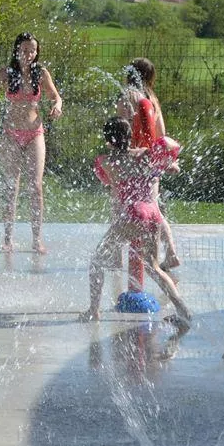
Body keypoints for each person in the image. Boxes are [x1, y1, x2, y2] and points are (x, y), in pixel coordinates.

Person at [81, 117, 191, 327]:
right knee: (154, 267)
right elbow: (172, 167)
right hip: (153, 215)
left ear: (109, 140)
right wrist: (167, 163)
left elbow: (107, 182)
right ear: (130, 136)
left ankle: (93, 311)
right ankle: (183, 311)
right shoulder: (147, 154)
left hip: (132, 214)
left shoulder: (105, 160)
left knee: (96, 262)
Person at [0, 33, 63, 253]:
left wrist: (57, 106)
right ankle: (8, 239)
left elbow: (56, 97)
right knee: (12, 187)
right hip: (11, 134)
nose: (28, 54)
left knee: (36, 187)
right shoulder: (6, 73)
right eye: (24, 50)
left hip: (34, 133)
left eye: (32, 50)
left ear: (37, 52)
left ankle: (37, 239)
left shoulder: (41, 74)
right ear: (16, 50)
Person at [117, 57, 180, 272]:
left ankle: (115, 256)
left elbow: (121, 130)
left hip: (134, 159)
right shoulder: (152, 99)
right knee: (153, 208)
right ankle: (170, 252)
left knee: (118, 204)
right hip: (153, 159)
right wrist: (163, 159)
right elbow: (161, 132)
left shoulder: (127, 96)